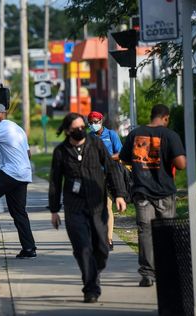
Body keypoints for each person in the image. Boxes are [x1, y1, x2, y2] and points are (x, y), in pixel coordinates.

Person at [49, 112, 127, 303]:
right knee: (83, 248)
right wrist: (53, 210)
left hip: (97, 204)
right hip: (74, 207)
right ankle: (91, 288)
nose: (81, 130)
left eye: (83, 127)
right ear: (68, 131)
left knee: (101, 249)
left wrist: (119, 194)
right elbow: (55, 182)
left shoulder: (96, 144)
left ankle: (94, 272)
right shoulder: (61, 151)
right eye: (76, 128)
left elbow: (110, 169)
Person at [119, 104, 186, 287]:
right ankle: (167, 271)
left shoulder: (135, 134)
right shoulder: (170, 135)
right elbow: (180, 164)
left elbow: (124, 158)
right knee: (166, 232)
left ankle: (147, 274)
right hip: (165, 192)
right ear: (166, 118)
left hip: (142, 193)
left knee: (145, 232)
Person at [0, 103, 37, 258]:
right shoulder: (17, 128)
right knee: (19, 212)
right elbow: (28, 154)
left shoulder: (0, 127)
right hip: (24, 174)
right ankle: (29, 248)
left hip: (11, 172)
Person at [88, 111, 123, 251]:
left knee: (107, 207)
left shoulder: (111, 135)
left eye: (96, 122)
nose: (93, 125)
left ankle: (109, 239)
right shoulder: (89, 137)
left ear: (101, 121)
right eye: (90, 122)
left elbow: (121, 153)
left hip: (109, 175)